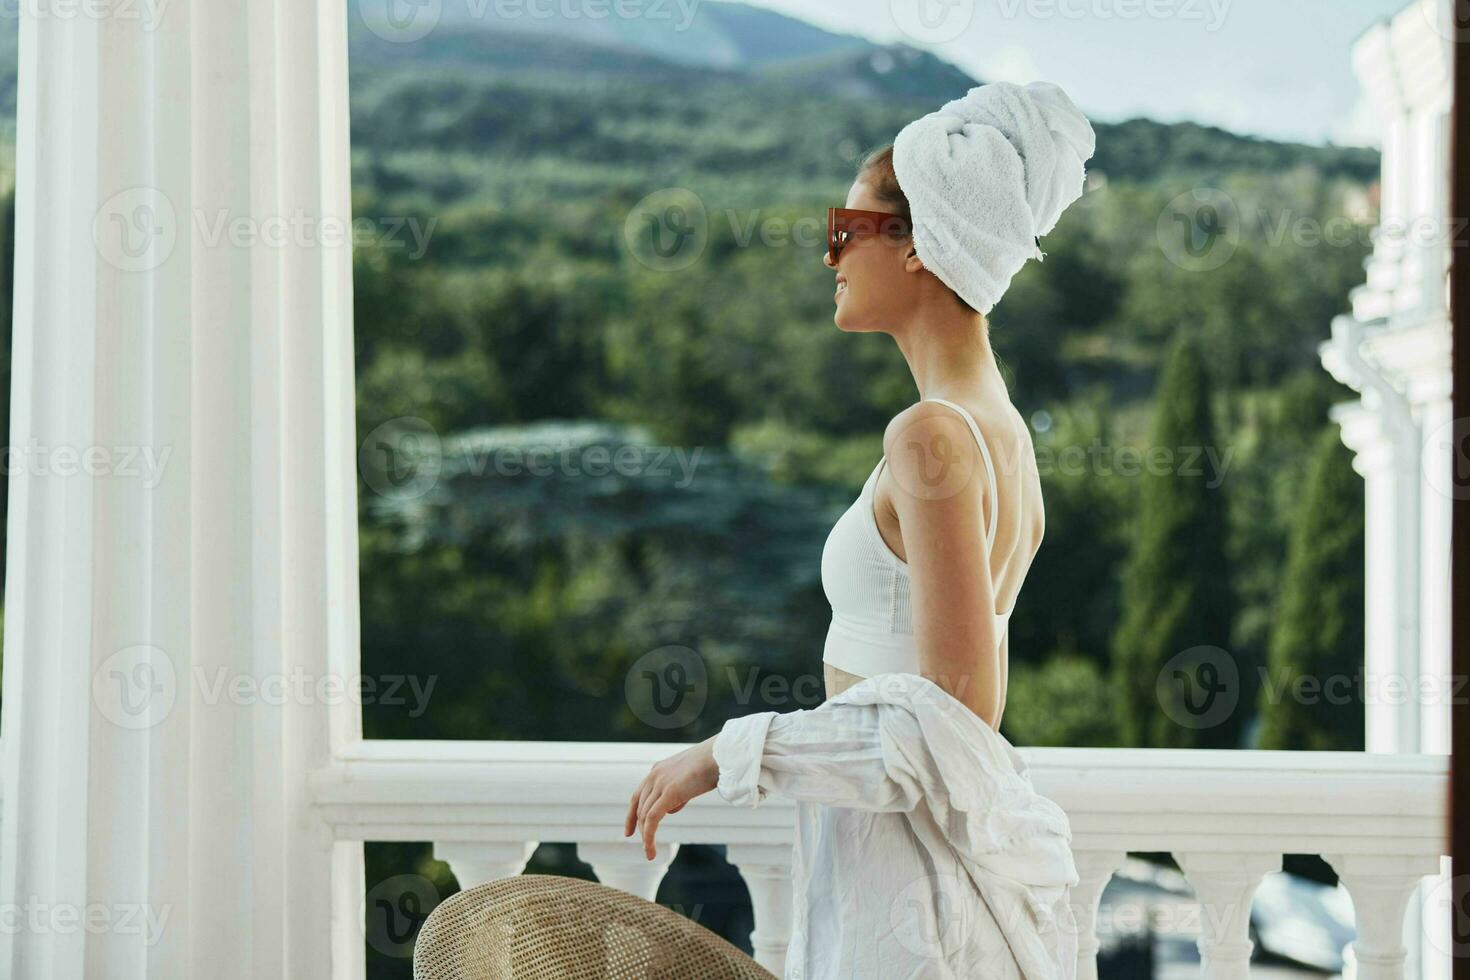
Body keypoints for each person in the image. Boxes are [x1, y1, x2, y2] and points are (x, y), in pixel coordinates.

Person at [625, 80, 1097, 979]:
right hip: (909, 874)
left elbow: (955, 720)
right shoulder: (999, 431)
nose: (828, 252)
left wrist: (725, 754)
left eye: (845, 227)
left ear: (917, 245)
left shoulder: (932, 434)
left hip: (910, 898)